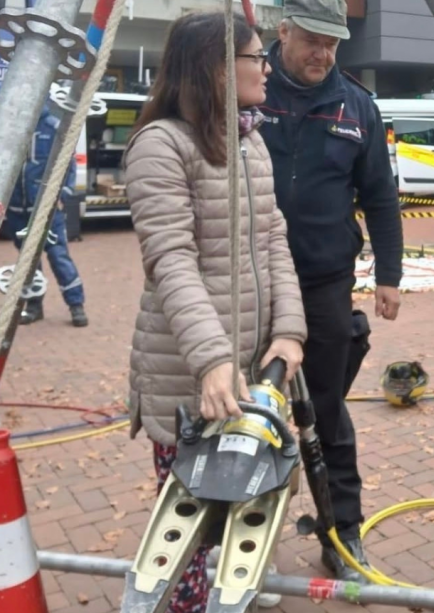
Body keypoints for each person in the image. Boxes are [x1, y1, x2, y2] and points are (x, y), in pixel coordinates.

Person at [124, 12, 307, 613]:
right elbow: (170, 260)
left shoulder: (250, 138)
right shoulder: (161, 145)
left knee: (245, 509)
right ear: (217, 66)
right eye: (257, 57)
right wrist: (211, 361)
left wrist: (288, 330)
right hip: (192, 374)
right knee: (191, 534)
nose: (267, 68)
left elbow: (274, 238)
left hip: (253, 367)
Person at [257, 0, 404, 582]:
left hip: (324, 281)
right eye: (313, 40)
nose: (323, 54)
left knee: (327, 413)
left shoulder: (356, 107)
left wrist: (388, 275)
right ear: (284, 30)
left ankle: (341, 536)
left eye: (334, 44)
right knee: (247, 411)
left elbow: (381, 197)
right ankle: (248, 537)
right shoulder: (248, 88)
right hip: (254, 279)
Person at [6, 105, 88, 327]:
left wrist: (63, 195)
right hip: (17, 210)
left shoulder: (53, 127)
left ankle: (76, 305)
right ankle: (34, 306)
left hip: (46, 209)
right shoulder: (10, 126)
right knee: (28, 261)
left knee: (58, 255)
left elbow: (68, 165)